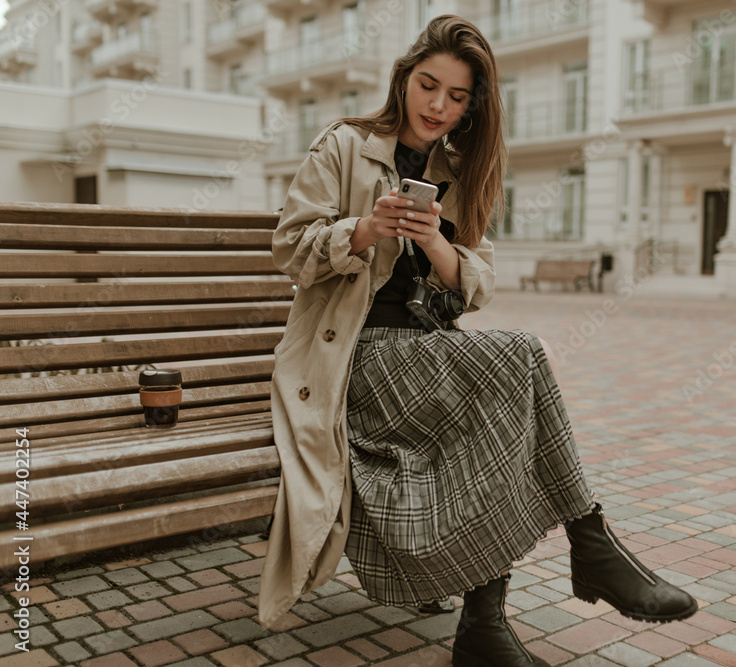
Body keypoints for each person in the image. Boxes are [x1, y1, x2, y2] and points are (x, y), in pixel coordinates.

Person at [257, 15, 697, 666]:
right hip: (353, 359)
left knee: (502, 390)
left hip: (427, 357)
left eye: (457, 96)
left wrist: (435, 241)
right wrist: (366, 229)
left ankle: (491, 621)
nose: (438, 105)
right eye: (428, 85)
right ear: (404, 77)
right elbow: (290, 249)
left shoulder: (460, 168)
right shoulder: (344, 145)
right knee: (517, 356)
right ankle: (586, 544)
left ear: (473, 106)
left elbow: (476, 281)